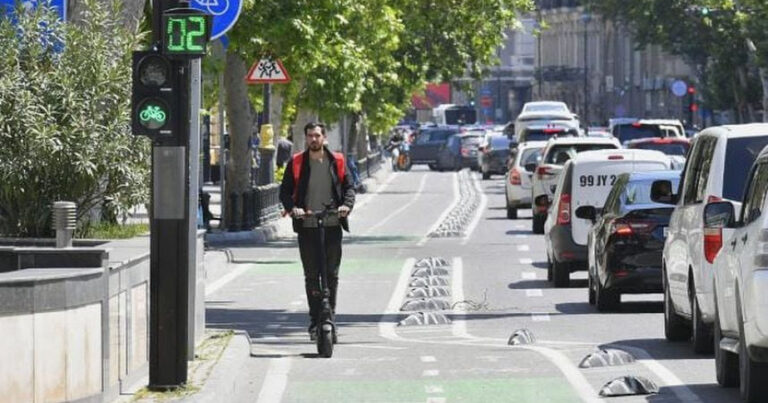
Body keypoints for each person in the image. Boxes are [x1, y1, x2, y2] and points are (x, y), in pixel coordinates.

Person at [279, 122, 355, 340]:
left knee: (331, 275)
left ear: (324, 138)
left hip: (331, 225)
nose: (314, 139)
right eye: (310, 136)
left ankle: (330, 317)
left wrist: (345, 206)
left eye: (317, 136)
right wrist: (294, 209)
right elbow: (285, 192)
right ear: (306, 138)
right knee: (312, 276)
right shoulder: (296, 162)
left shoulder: (337, 161)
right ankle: (315, 321)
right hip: (308, 226)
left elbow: (349, 187)